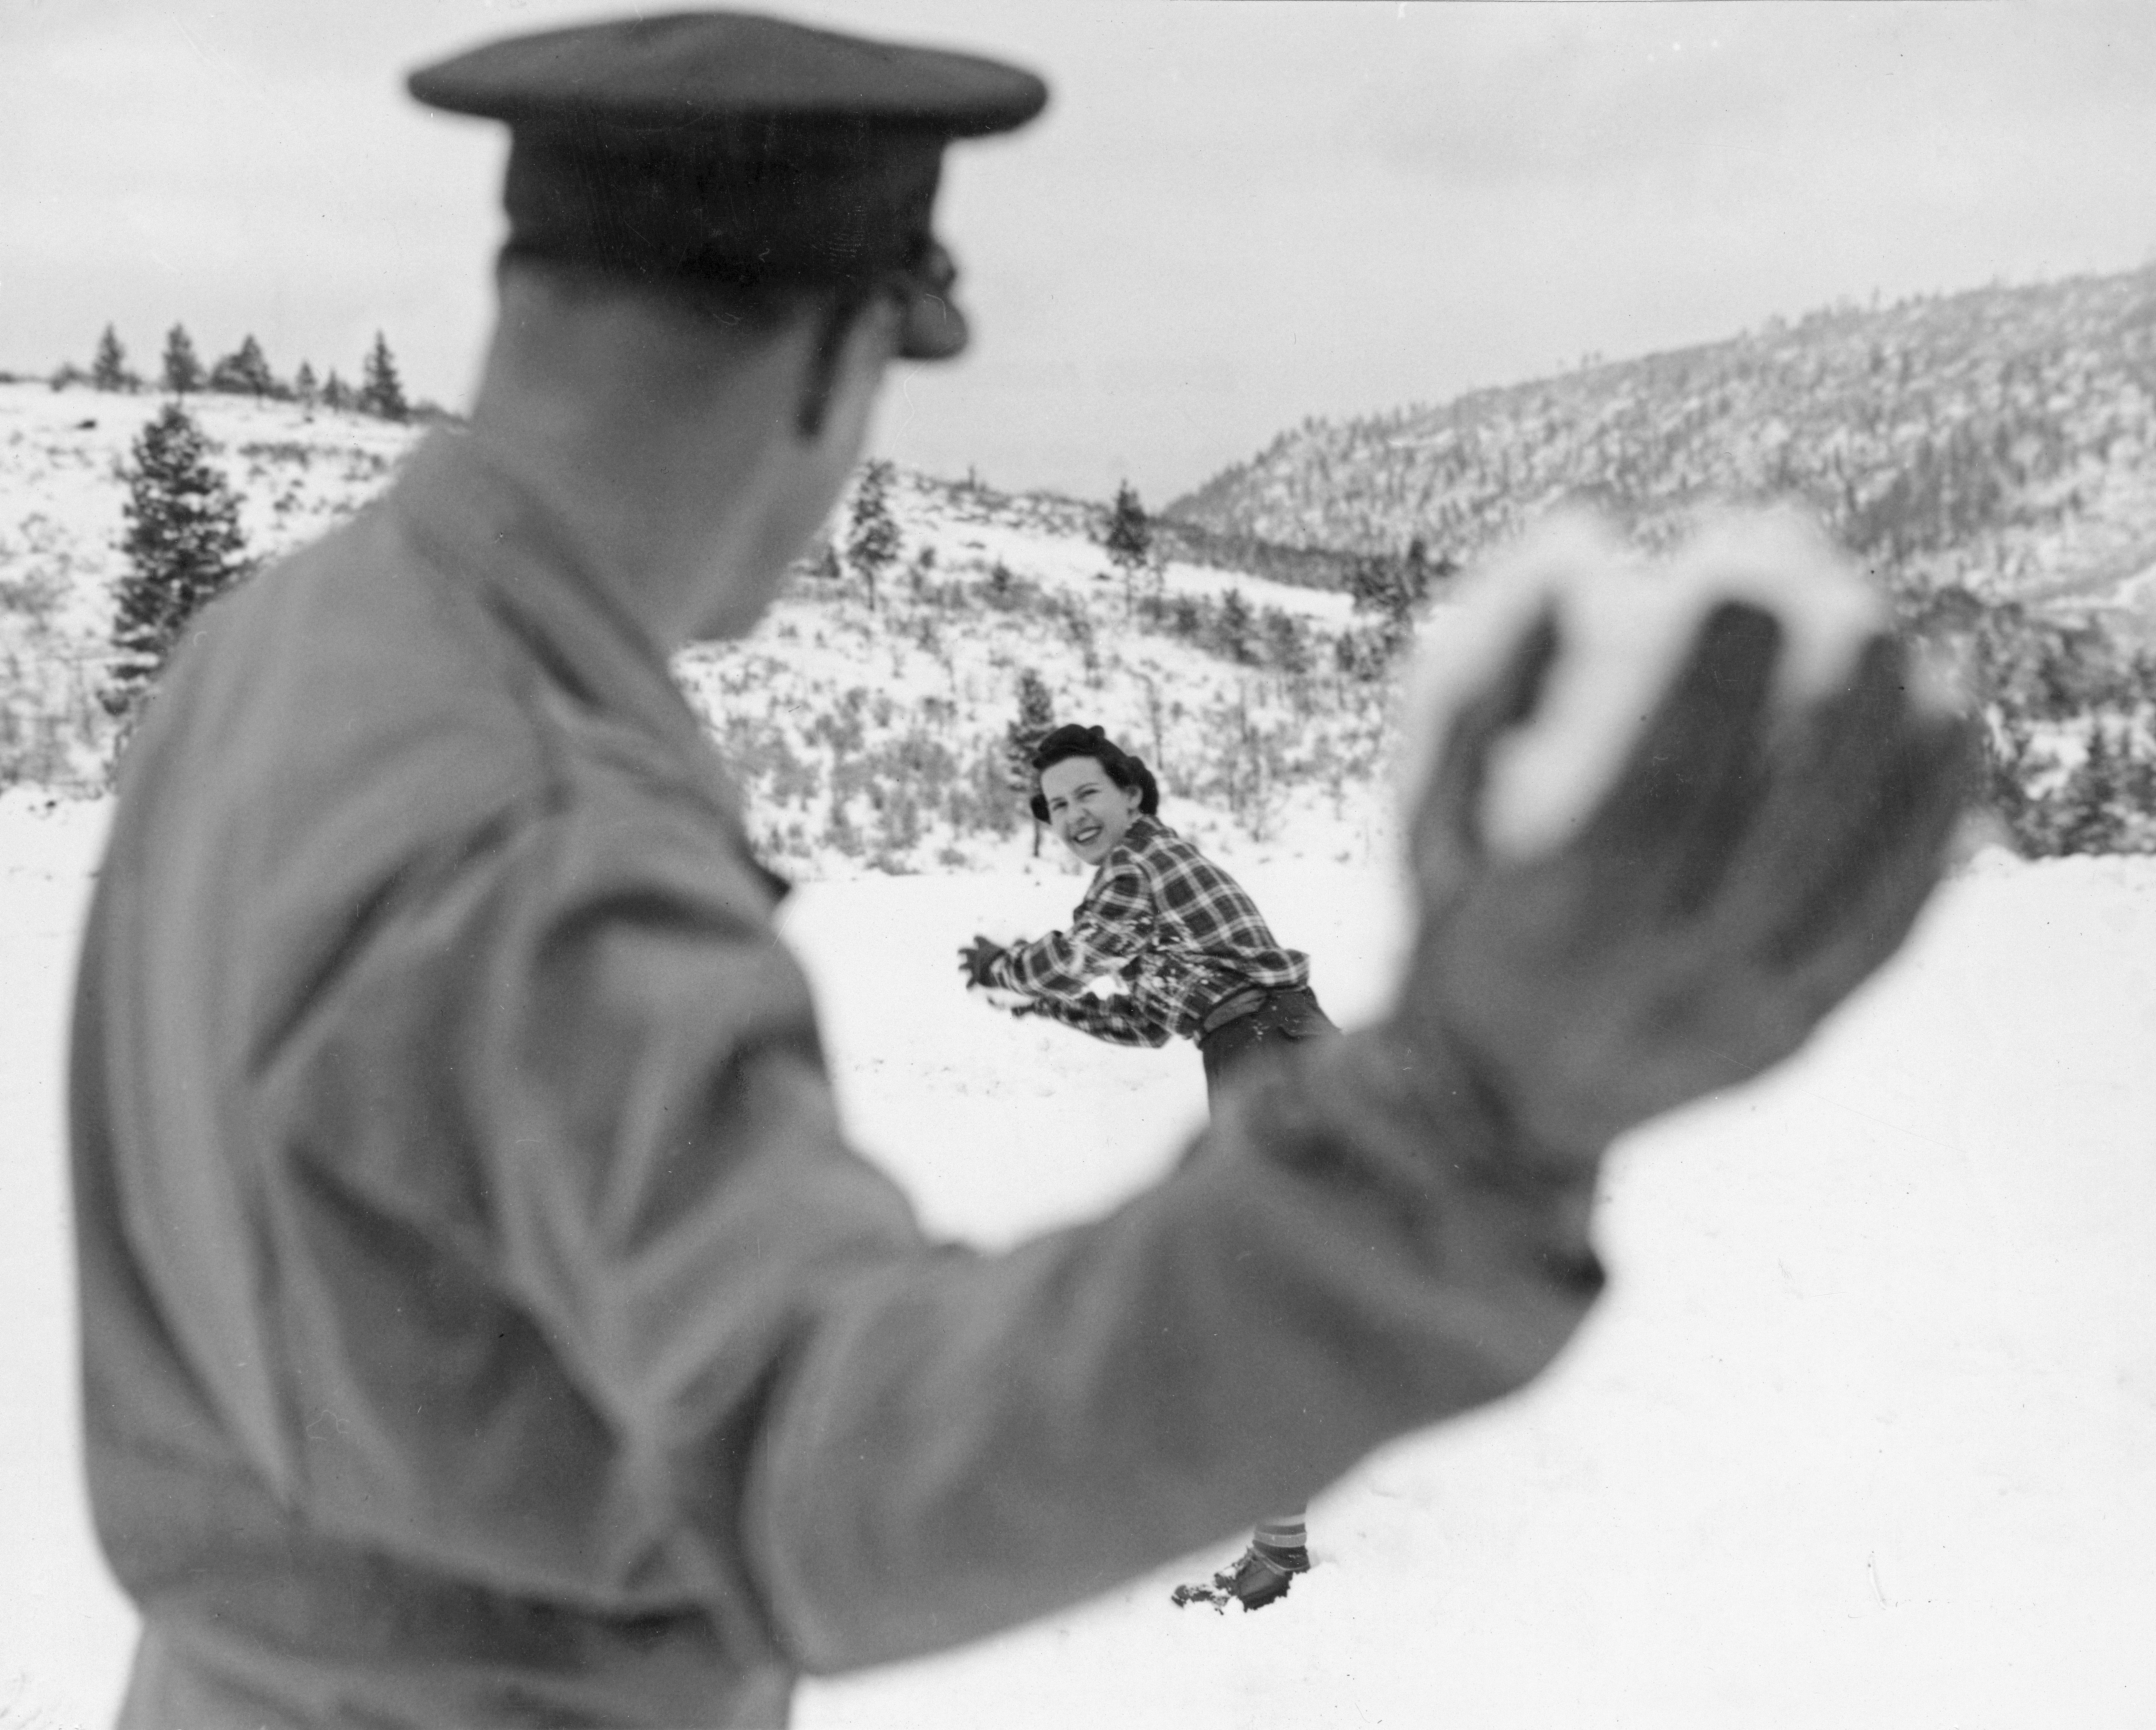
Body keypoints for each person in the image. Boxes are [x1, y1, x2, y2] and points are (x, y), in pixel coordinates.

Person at [67, 11, 1973, 1729]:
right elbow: (826, 1464)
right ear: (828, 361)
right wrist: (1477, 1119)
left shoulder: (286, 648)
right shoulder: (535, 816)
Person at [957, 721, 1337, 1608]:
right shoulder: (1150, 893)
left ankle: (1280, 1549)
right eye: (1057, 807)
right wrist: (1038, 1007)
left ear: (1133, 795)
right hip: (1259, 1051)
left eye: (1089, 792)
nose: (1075, 815)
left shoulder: (1140, 865)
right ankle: (1282, 1529)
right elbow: (1137, 1016)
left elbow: (1082, 953)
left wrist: (1014, 970)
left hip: (1270, 1048)